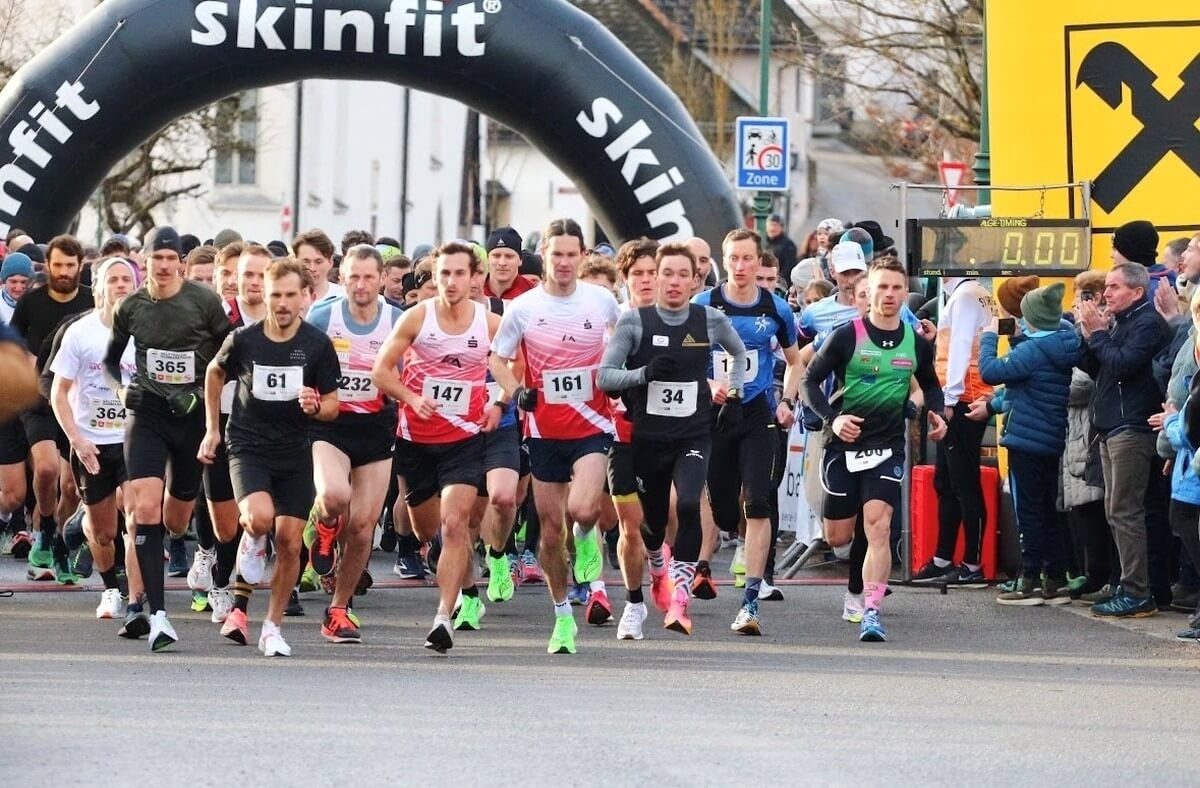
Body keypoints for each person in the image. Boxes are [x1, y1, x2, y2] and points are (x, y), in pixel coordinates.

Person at [598, 243, 746, 639]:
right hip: (646, 438)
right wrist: (643, 374)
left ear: (695, 279)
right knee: (651, 526)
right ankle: (656, 565)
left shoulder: (710, 320)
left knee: (687, 504)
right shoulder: (635, 323)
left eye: (684, 274)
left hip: (694, 433)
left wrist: (735, 394)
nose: (675, 281)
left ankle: (679, 598)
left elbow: (739, 352)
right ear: (657, 277)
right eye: (668, 274)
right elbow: (605, 378)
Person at [488, 218, 621, 655]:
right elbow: (497, 361)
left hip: (593, 424)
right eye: (556, 253)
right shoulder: (523, 307)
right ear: (543, 254)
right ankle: (563, 617)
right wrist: (515, 391)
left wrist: (617, 379)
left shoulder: (601, 301)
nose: (563, 262)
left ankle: (586, 539)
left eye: (571, 254)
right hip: (545, 429)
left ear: (582, 257)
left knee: (584, 509)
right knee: (548, 533)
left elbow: (621, 344)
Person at [200, 259, 340, 657]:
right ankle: (252, 538)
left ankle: (272, 627)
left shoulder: (316, 344)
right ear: (265, 293)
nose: (281, 303)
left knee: (291, 543)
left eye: (289, 295)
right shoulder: (245, 339)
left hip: (295, 451)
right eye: (275, 294)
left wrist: (316, 406)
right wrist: (212, 428)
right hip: (248, 445)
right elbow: (214, 373)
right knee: (259, 519)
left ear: (305, 298)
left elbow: (333, 405)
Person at [803, 259, 947, 641]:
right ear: (865, 294)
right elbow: (809, 381)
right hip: (843, 444)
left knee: (879, 525)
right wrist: (833, 419)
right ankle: (854, 585)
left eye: (896, 288)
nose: (889, 295)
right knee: (839, 536)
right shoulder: (846, 336)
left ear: (904, 293)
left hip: (886, 446)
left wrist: (934, 413)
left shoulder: (915, 342)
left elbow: (931, 385)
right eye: (881, 288)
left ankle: (872, 610)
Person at [104, 226, 231, 651]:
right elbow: (109, 360)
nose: (161, 266)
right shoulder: (130, 307)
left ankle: (179, 557)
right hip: (148, 413)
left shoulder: (203, 301)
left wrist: (202, 394)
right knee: (143, 507)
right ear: (145, 261)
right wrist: (123, 391)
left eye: (168, 258)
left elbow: (227, 353)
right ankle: (154, 613)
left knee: (176, 519)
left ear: (179, 261)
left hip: (191, 417)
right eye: (154, 258)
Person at [372, 241, 502, 654]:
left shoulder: (489, 323)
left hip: (464, 440)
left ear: (474, 277)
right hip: (416, 440)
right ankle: (461, 584)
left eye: (459, 273)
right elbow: (381, 371)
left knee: (455, 524)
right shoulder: (416, 318)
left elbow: (515, 368)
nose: (451, 281)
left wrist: (498, 404)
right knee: (430, 531)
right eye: (443, 274)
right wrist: (411, 399)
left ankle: (442, 617)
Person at [692, 228, 803, 635]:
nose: (740, 267)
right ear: (724, 262)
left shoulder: (776, 309)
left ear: (760, 263)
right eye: (733, 259)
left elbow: (794, 361)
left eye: (747, 259)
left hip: (758, 413)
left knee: (758, 501)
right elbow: (686, 362)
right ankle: (723, 537)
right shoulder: (703, 305)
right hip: (716, 416)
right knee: (724, 509)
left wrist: (788, 399)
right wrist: (708, 386)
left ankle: (751, 602)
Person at [305, 245, 402, 643]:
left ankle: (339, 609)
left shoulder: (398, 319)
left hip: (377, 428)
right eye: (353, 277)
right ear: (341, 278)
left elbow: (412, 367)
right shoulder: (323, 316)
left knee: (363, 527)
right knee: (333, 495)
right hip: (331, 424)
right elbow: (302, 364)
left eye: (368, 277)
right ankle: (325, 526)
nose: (360, 285)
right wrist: (308, 396)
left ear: (382, 279)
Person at [1076, 262, 1173, 617]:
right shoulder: (1121, 322)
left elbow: (1122, 365)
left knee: (1126, 511)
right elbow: (1096, 367)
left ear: (1137, 291)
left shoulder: (1147, 324)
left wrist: (1099, 334)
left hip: (1132, 427)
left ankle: (1138, 592)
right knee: (1115, 511)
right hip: (1111, 426)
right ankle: (1129, 584)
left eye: (1114, 287)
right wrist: (1087, 333)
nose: (1106, 294)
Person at [978, 283, 1080, 604]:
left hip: (1025, 441)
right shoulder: (1061, 343)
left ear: (1032, 318)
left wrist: (990, 337)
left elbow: (989, 371)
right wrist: (1022, 337)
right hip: (1051, 440)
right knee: (1047, 510)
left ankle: (1029, 580)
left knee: (1030, 511)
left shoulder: (1031, 352)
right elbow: (1029, 380)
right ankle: (1054, 578)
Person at [48, 258, 138, 616]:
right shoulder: (79, 333)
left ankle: (138, 599)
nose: (120, 285)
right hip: (92, 443)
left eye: (126, 280)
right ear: (98, 288)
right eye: (112, 280)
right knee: (103, 531)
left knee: (137, 518)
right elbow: (58, 392)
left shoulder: (146, 331)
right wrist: (77, 440)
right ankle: (112, 588)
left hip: (134, 439)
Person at [11, 235, 92, 582]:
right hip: (39, 400)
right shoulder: (31, 302)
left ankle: (59, 543)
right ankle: (42, 529)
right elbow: (11, 344)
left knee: (72, 487)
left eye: (69, 266)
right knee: (45, 470)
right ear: (48, 265)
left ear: (80, 266)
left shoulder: (91, 299)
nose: (62, 272)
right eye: (57, 265)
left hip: (78, 403)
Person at [200, 245, 270, 636]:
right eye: (247, 276)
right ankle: (218, 572)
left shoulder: (285, 318)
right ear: (235, 278)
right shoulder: (219, 319)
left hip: (266, 432)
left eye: (261, 275)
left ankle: (228, 589)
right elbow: (206, 373)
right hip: (223, 424)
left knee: (256, 516)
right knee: (226, 527)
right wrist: (210, 427)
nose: (254, 283)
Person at [913, 270, 994, 586]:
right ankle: (943, 557)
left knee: (963, 482)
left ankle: (972, 564)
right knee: (947, 481)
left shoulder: (963, 296)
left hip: (961, 399)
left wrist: (948, 399)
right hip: (964, 394)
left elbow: (961, 346)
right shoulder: (973, 293)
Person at [483, 226, 536, 300]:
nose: (502, 263)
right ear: (487, 259)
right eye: (496, 256)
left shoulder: (533, 294)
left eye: (509, 256)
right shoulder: (474, 289)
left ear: (520, 260)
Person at [293, 229, 346, 303]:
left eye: (318, 262)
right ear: (295, 261)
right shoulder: (286, 297)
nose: (312, 268)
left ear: (330, 262)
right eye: (306, 261)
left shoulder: (343, 298)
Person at [765, 214, 799, 285]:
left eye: (775, 225)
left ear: (781, 227)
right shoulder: (765, 243)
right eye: (770, 225)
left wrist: (777, 279)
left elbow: (789, 267)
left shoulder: (789, 245)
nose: (772, 228)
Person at [0, 250, 33, 324]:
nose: (18, 288)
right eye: (13, 282)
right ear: (4, 281)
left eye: (24, 282)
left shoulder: (38, 302)